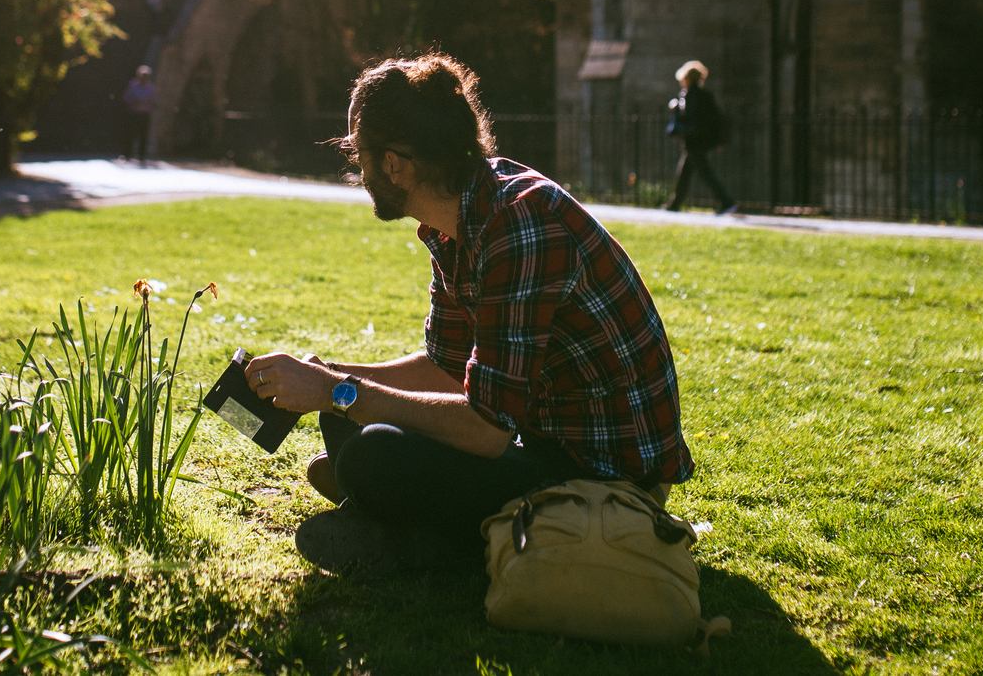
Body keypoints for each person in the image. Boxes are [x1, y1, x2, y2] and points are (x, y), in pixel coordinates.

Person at [245, 52, 694, 546]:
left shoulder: (519, 226)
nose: (358, 172)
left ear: (394, 164)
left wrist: (337, 390)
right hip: (548, 444)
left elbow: (487, 430)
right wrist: (327, 377)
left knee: (372, 448)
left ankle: (401, 532)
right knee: (356, 422)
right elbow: (445, 365)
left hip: (608, 481)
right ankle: (388, 509)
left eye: (360, 156)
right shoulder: (458, 221)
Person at [663, 59, 737, 215]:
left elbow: (689, 119)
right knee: (685, 172)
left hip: (694, 141)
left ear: (687, 78)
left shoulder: (689, 96)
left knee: (705, 173)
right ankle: (674, 204)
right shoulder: (705, 95)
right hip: (701, 140)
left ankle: (726, 201)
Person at [121, 64, 158, 164]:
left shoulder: (151, 88)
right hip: (134, 113)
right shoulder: (132, 86)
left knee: (143, 136)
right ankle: (127, 155)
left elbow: (154, 101)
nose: (144, 78)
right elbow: (126, 98)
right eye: (143, 75)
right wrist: (134, 102)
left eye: (146, 76)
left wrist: (148, 104)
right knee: (130, 135)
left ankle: (142, 157)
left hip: (145, 114)